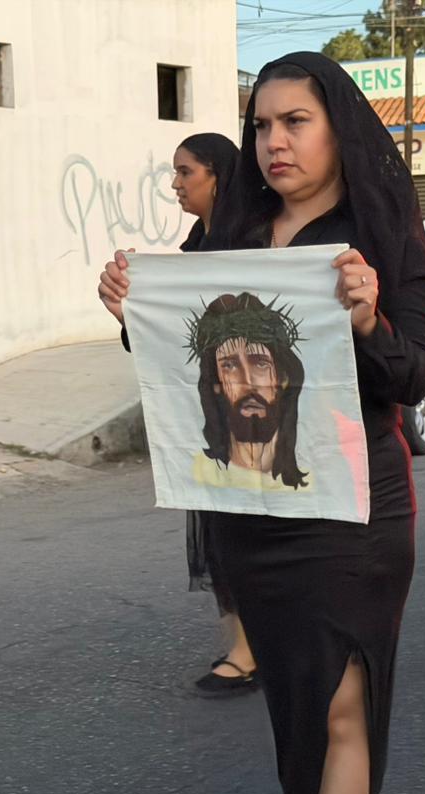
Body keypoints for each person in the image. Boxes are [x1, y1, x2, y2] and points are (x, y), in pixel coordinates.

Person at [99, 52, 425, 794]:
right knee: (297, 707)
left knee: (338, 707)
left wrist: (369, 322)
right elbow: (185, 357)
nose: (275, 140)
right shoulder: (234, 231)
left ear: (339, 130)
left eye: (296, 121)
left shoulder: (381, 231)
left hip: (357, 508)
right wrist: (130, 309)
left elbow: (417, 373)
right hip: (251, 510)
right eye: (262, 124)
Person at [171, 133, 261, 697]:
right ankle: (244, 643)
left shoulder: (250, 244)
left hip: (250, 412)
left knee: (249, 527)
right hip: (207, 413)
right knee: (220, 527)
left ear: (217, 176)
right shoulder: (193, 248)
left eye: (186, 172)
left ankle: (253, 649)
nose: (176, 185)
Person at [188, 292, 308, 490]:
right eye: (229, 365)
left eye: (260, 363)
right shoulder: (199, 475)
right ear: (216, 383)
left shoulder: (318, 479)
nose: (248, 382)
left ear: (283, 377)